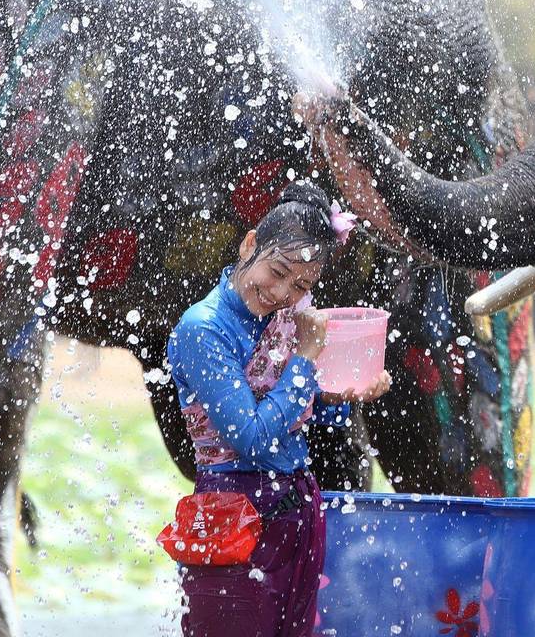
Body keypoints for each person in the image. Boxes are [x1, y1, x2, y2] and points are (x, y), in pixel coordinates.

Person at [166, 181, 390, 636]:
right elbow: (247, 437)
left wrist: (339, 397)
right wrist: (306, 362)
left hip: (296, 510)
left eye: (302, 285)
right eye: (278, 271)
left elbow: (293, 418)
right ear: (251, 244)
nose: (282, 292)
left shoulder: (285, 316)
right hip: (231, 517)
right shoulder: (203, 329)